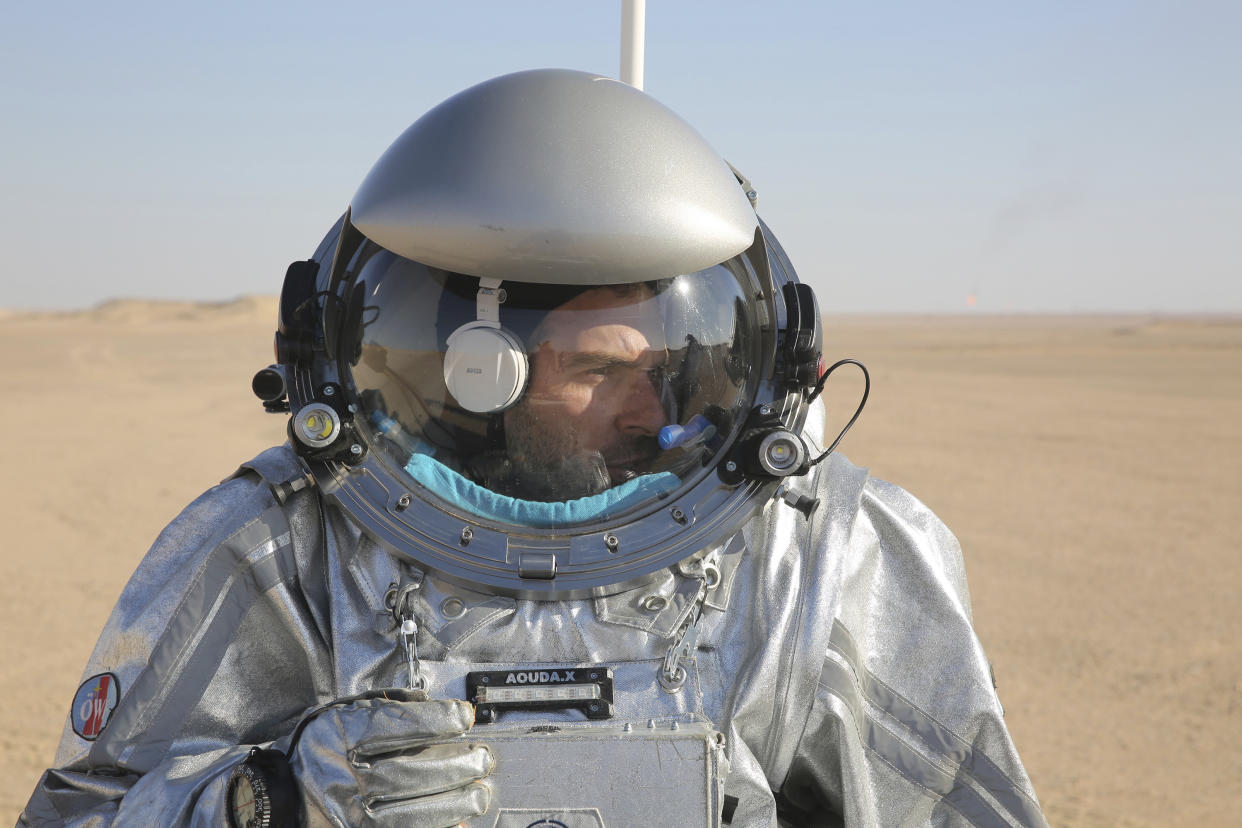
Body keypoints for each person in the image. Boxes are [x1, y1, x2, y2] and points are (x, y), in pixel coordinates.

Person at [21, 69, 1046, 827]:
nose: (653, 412)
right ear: (484, 371)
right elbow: (82, 811)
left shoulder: (825, 556)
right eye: (601, 374)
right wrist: (266, 801)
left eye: (669, 370)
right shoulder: (279, 545)